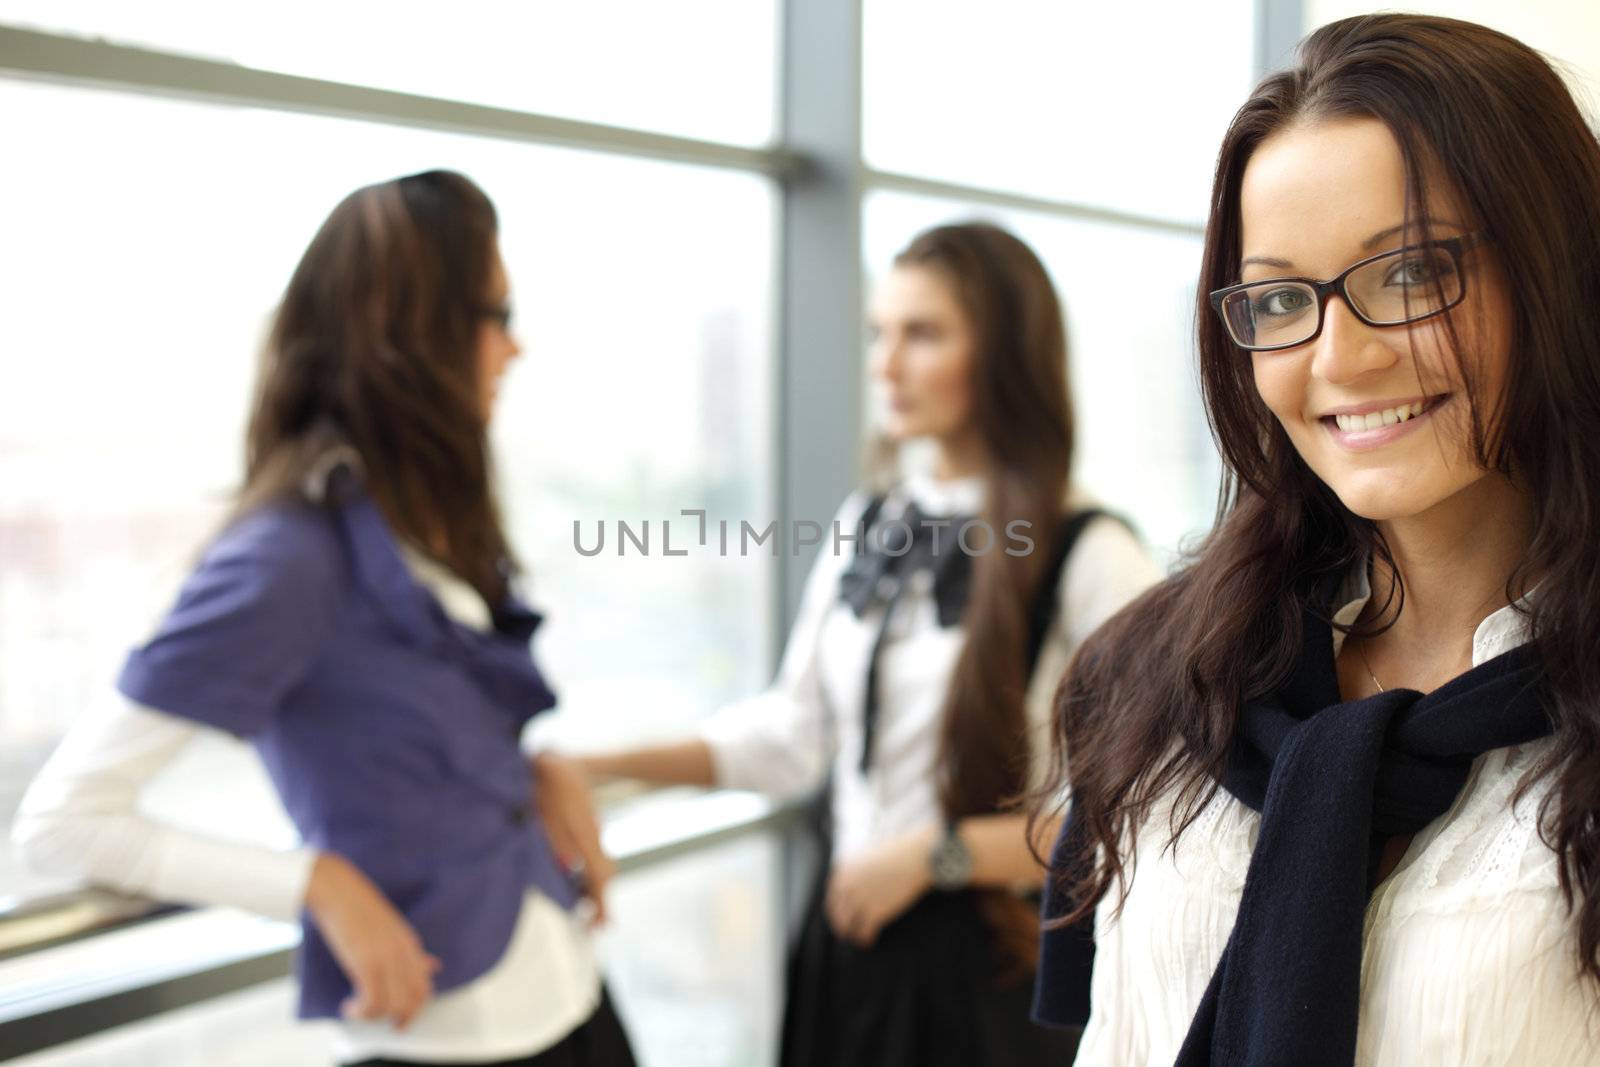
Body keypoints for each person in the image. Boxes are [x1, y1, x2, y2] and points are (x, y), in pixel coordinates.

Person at [1033, 14, 1600, 1066]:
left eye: (1415, 273)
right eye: (1284, 297)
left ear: (1557, 268)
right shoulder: (1165, 671)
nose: (1341, 357)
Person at [13, 170, 637, 1067]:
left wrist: (533, 771)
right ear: (415, 334)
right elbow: (64, 820)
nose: (515, 347)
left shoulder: (408, 518)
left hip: (566, 985)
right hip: (447, 1029)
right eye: (494, 315)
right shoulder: (285, 558)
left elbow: (413, 724)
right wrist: (318, 885)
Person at [573, 221, 1160, 1066]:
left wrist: (939, 857)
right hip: (844, 943)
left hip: (991, 969)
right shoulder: (870, 521)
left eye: (922, 335)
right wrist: (595, 768)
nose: (885, 365)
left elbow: (1144, 808)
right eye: (879, 334)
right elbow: (790, 736)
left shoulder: (1088, 549)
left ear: (1003, 353)